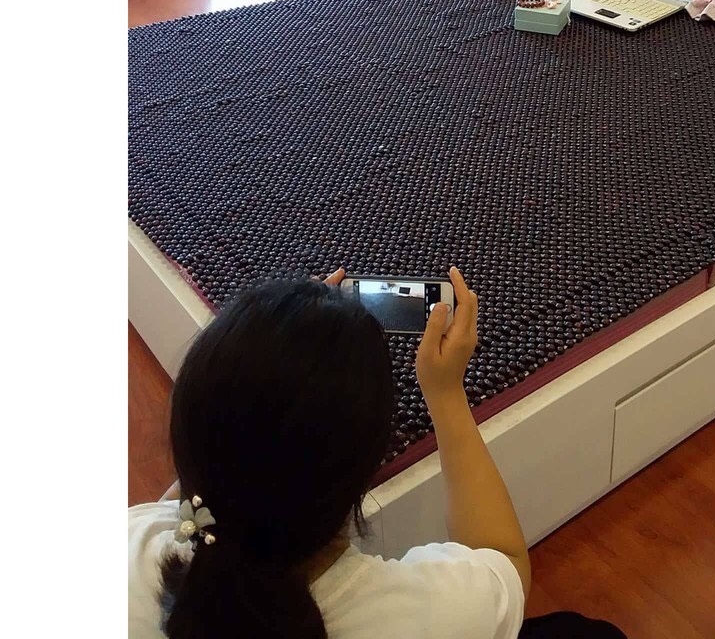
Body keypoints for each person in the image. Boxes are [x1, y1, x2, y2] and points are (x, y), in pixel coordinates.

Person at [128, 267, 627, 638]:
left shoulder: (126, 545)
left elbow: (203, 476)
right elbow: (506, 563)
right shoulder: (431, 617)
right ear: (361, 471)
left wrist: (272, 362)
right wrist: (445, 393)